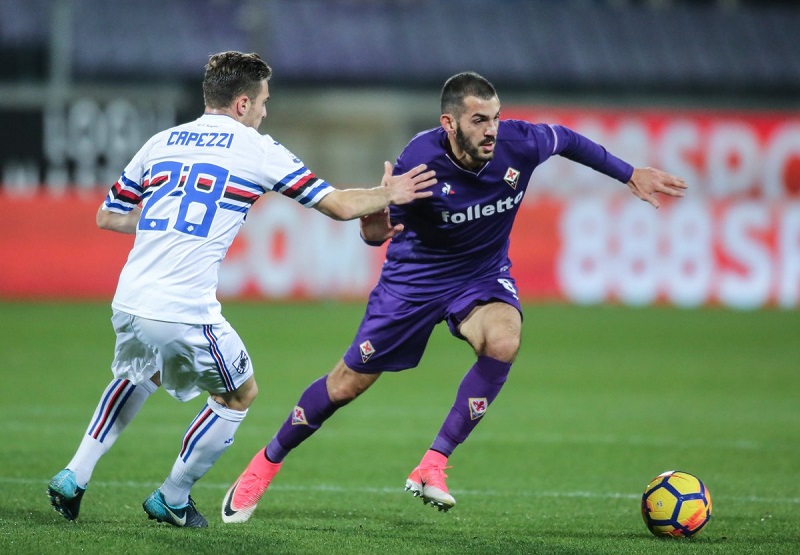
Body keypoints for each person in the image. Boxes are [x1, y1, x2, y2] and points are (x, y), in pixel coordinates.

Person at [220, 70, 687, 523]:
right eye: (479, 121)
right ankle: (264, 464)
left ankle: (433, 463)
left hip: (480, 275)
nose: (491, 130)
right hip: (414, 282)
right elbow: (377, 233)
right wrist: (375, 220)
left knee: (504, 339)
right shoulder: (419, 161)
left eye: (495, 117)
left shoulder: (520, 144)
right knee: (346, 385)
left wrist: (628, 174)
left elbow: (566, 138)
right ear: (450, 124)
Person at [46, 51, 435, 528]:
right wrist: (388, 194)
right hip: (183, 307)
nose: (266, 112)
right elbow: (335, 205)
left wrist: (161, 226)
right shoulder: (255, 149)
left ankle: (74, 473)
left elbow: (107, 215)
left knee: (143, 372)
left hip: (129, 299)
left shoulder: (161, 141)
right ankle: (173, 495)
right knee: (240, 393)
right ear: (243, 103)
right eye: (264, 102)